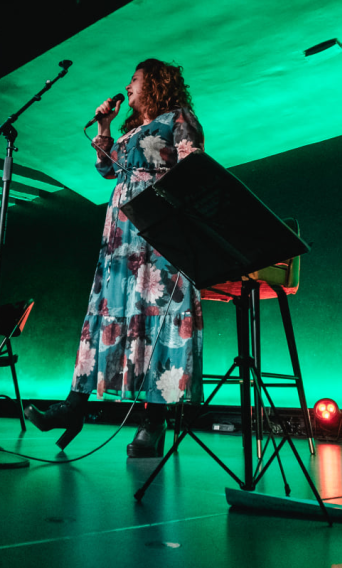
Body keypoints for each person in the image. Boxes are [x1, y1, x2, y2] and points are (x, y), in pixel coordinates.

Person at [26, 58, 206, 458]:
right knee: (108, 316)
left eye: (135, 80)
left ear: (156, 83)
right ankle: (74, 406)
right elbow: (106, 170)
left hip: (158, 231)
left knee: (155, 319)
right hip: (121, 239)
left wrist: (166, 202)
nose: (128, 87)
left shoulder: (177, 117)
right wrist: (105, 128)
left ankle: (153, 422)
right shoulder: (129, 130)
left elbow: (193, 165)